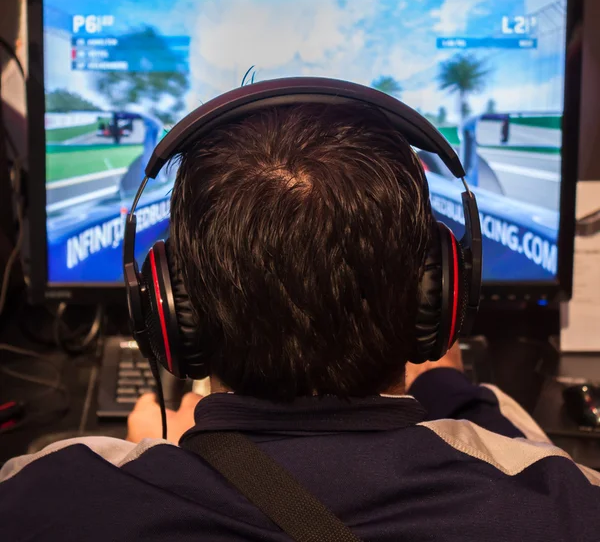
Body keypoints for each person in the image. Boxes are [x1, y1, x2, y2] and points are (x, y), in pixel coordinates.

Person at [1, 102, 598, 541]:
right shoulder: (566, 507)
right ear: (436, 302)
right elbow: (522, 465)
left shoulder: (37, 501)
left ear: (172, 310)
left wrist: (150, 462)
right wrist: (451, 389)